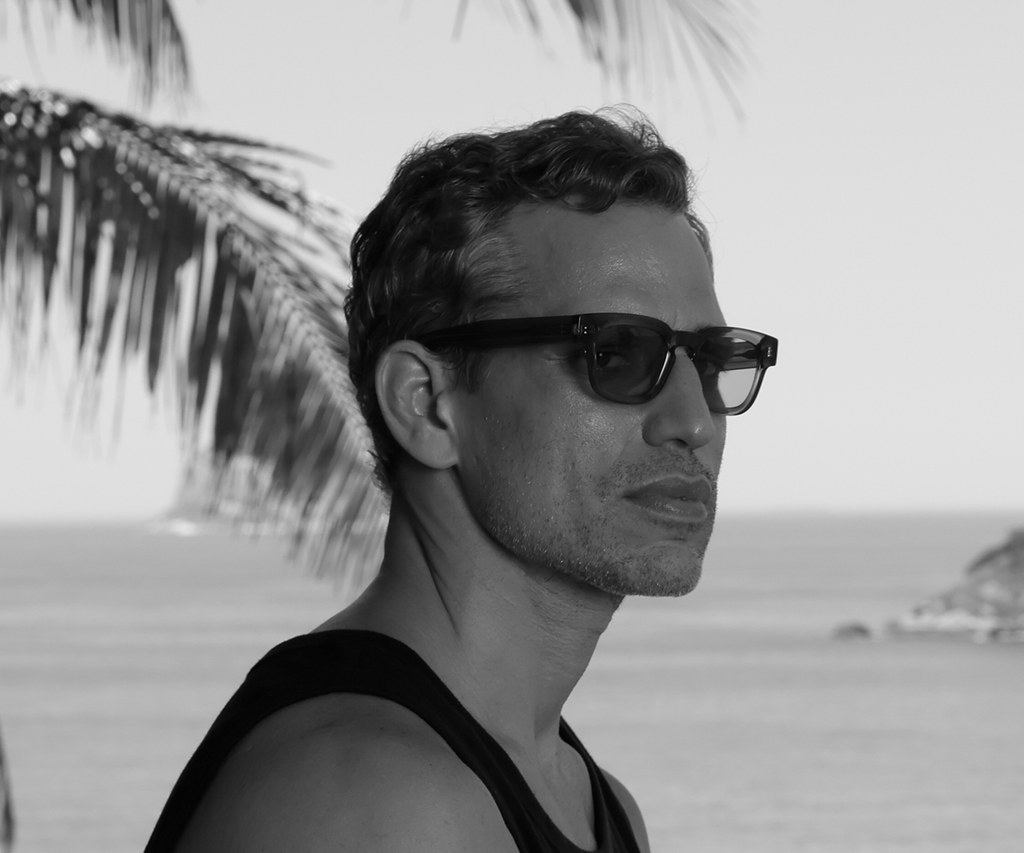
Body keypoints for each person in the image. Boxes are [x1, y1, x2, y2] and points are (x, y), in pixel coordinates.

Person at [145, 109, 778, 853]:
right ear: (426, 403)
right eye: (617, 354)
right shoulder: (374, 798)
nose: (695, 421)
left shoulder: (597, 804)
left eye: (712, 359)